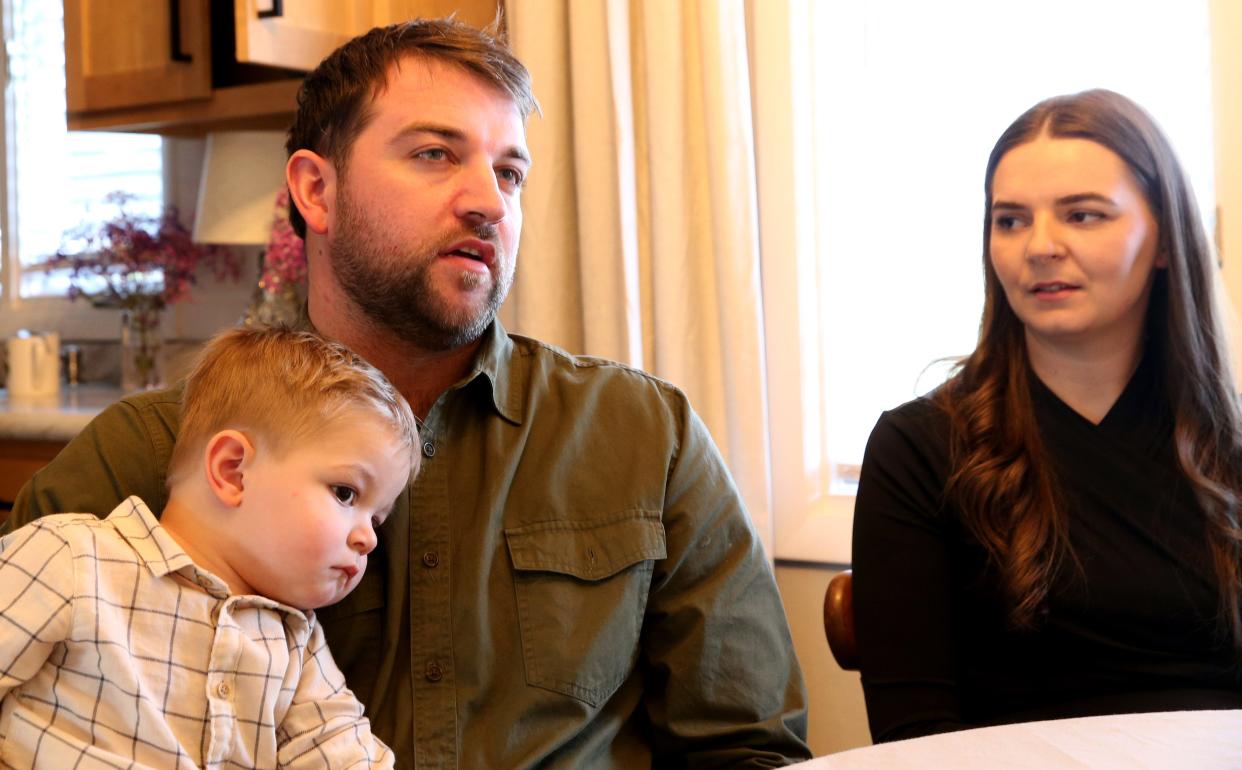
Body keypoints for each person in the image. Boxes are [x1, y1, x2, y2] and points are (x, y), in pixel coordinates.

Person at [9, 18, 810, 768]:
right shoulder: (144, 457)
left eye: (509, 172)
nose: (489, 202)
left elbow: (748, 747)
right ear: (314, 192)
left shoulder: (645, 434)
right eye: (435, 154)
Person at [852, 88, 1242, 744]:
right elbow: (913, 738)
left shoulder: (1229, 446)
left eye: (1083, 216)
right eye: (1009, 220)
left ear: (1166, 241)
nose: (1039, 246)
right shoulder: (918, 448)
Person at [0, 326, 418, 768]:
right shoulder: (72, 559)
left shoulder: (297, 644)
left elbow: (346, 754)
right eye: (346, 493)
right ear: (233, 470)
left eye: (377, 519)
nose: (369, 538)